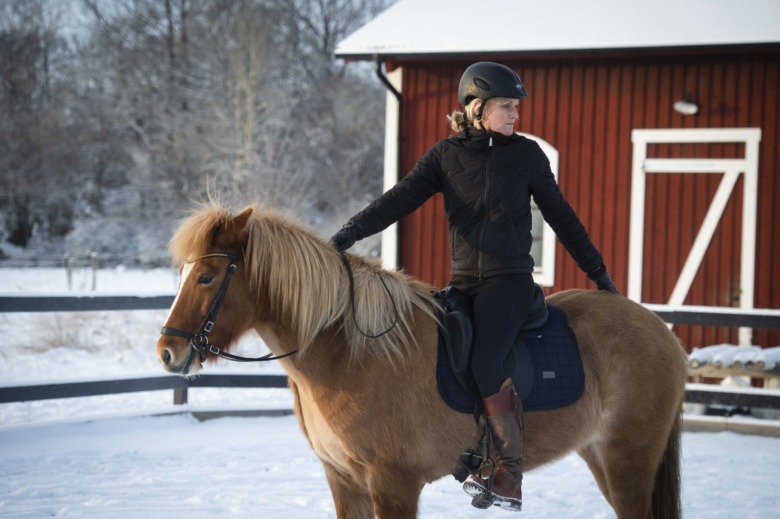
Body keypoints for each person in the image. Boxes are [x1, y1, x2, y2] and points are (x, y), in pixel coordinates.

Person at [330, 61, 618, 512]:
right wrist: (347, 234)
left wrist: (598, 273)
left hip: (511, 286)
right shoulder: (446, 156)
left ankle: (508, 471)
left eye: (516, 107)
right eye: (507, 106)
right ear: (477, 107)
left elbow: (562, 218)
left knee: (486, 358)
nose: (515, 114)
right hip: (463, 285)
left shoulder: (526, 156)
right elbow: (398, 200)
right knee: (437, 351)